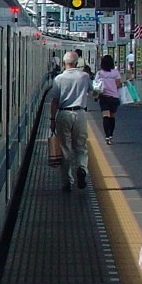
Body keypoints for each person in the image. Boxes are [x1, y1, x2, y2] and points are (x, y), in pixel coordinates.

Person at [50, 50, 92, 191]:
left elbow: (55, 101)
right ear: (76, 62)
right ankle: (81, 169)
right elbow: (93, 91)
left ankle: (67, 181)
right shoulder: (84, 76)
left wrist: (52, 119)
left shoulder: (58, 79)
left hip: (63, 114)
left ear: (64, 63)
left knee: (65, 149)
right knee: (81, 146)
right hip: (80, 113)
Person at [94, 54, 124, 144]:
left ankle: (107, 136)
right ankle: (111, 135)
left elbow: (96, 86)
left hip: (104, 97)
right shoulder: (115, 73)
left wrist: (95, 96)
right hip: (114, 97)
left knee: (105, 116)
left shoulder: (99, 73)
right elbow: (118, 85)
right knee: (112, 117)